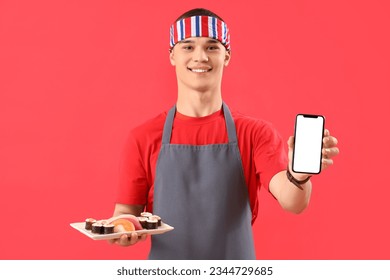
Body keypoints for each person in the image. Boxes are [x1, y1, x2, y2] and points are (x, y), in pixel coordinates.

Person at [109, 8, 339, 259]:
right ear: (172, 55)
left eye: (212, 47)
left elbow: (293, 203)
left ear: (226, 56)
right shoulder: (142, 137)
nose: (200, 57)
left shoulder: (255, 133)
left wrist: (298, 174)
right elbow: (125, 213)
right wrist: (122, 231)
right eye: (188, 47)